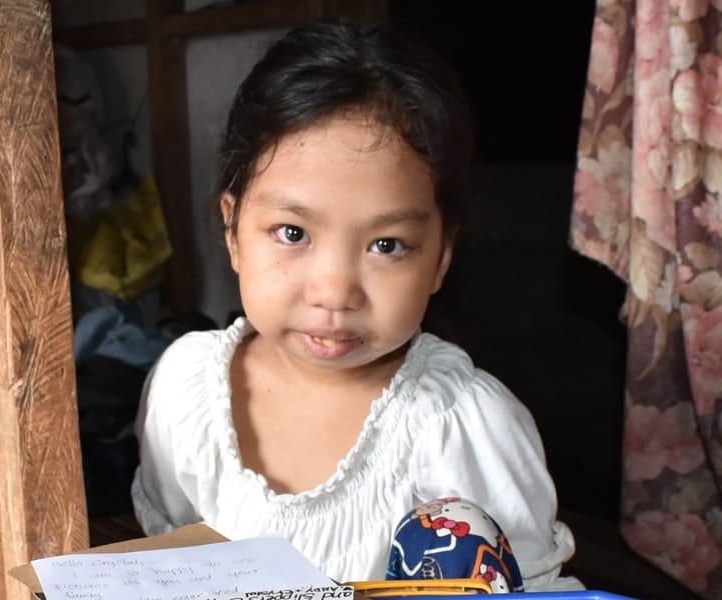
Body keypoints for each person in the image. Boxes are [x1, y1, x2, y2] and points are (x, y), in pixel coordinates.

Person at [130, 18, 581, 591]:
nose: (335, 291)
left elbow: (533, 587)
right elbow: (168, 564)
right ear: (232, 228)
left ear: (441, 257)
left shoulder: (462, 429)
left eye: (386, 245)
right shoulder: (182, 392)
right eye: (292, 232)